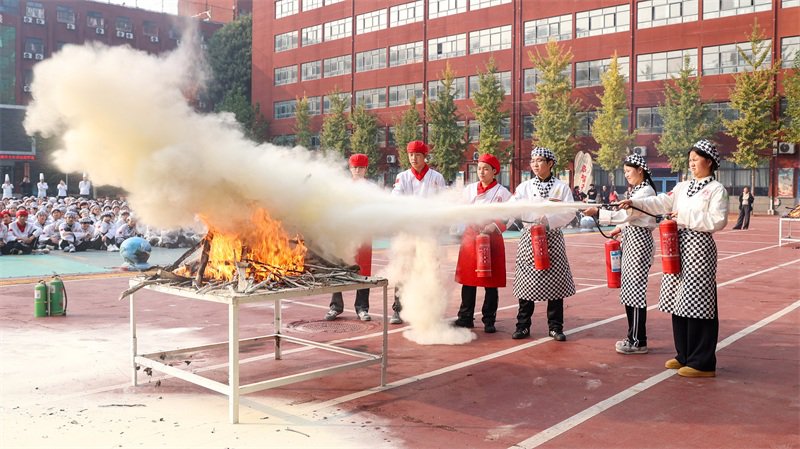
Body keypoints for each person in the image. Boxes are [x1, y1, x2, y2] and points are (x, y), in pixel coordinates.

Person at [619, 139, 728, 378]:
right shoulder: (682, 187)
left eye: (696, 160)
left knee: (698, 303)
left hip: (699, 249)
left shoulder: (716, 189)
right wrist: (635, 202)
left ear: (709, 162)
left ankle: (702, 362)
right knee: (678, 300)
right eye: (690, 160)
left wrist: (684, 215)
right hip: (677, 247)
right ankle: (684, 355)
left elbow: (718, 220)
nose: (692, 164)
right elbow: (660, 202)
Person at [584, 154, 657, 354]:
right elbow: (631, 218)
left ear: (640, 170)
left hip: (638, 244)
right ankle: (633, 337)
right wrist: (621, 228)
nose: (626, 175)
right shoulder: (639, 190)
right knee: (630, 291)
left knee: (635, 292)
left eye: (628, 171)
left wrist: (598, 213)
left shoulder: (645, 192)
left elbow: (626, 214)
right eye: (624, 172)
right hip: (632, 240)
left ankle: (638, 341)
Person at [508, 147, 575, 341]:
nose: (535, 165)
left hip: (553, 238)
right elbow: (512, 207)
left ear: (550, 163)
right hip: (529, 238)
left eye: (539, 161)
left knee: (556, 284)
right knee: (526, 284)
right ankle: (522, 326)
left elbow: (570, 212)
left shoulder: (561, 188)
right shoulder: (525, 187)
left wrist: (549, 219)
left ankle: (555, 327)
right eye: (533, 161)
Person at [453, 154, 511, 333]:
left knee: (491, 283)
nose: (481, 172)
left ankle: (489, 319)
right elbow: (460, 209)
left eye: (486, 169)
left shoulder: (503, 193)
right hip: (471, 238)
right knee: (468, 281)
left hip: (492, 239)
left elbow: (510, 215)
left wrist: (495, 226)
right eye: (479, 169)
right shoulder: (469, 190)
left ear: (494, 171)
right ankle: (465, 317)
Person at [390, 140, 446, 324]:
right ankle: (398, 309)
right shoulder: (403, 177)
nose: (413, 158)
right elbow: (396, 198)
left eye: (417, 155)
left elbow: (443, 202)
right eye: (411, 155)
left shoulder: (436, 177)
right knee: (403, 269)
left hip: (429, 233)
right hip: (409, 232)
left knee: (430, 270)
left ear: (424, 156)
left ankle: (431, 310)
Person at [325, 154, 373, 322]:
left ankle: (362, 308)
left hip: (364, 235)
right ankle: (335, 306)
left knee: (364, 271)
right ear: (350, 169)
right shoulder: (343, 187)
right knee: (339, 268)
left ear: (366, 169)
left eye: (361, 168)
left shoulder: (371, 189)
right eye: (354, 168)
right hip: (345, 234)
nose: (357, 171)